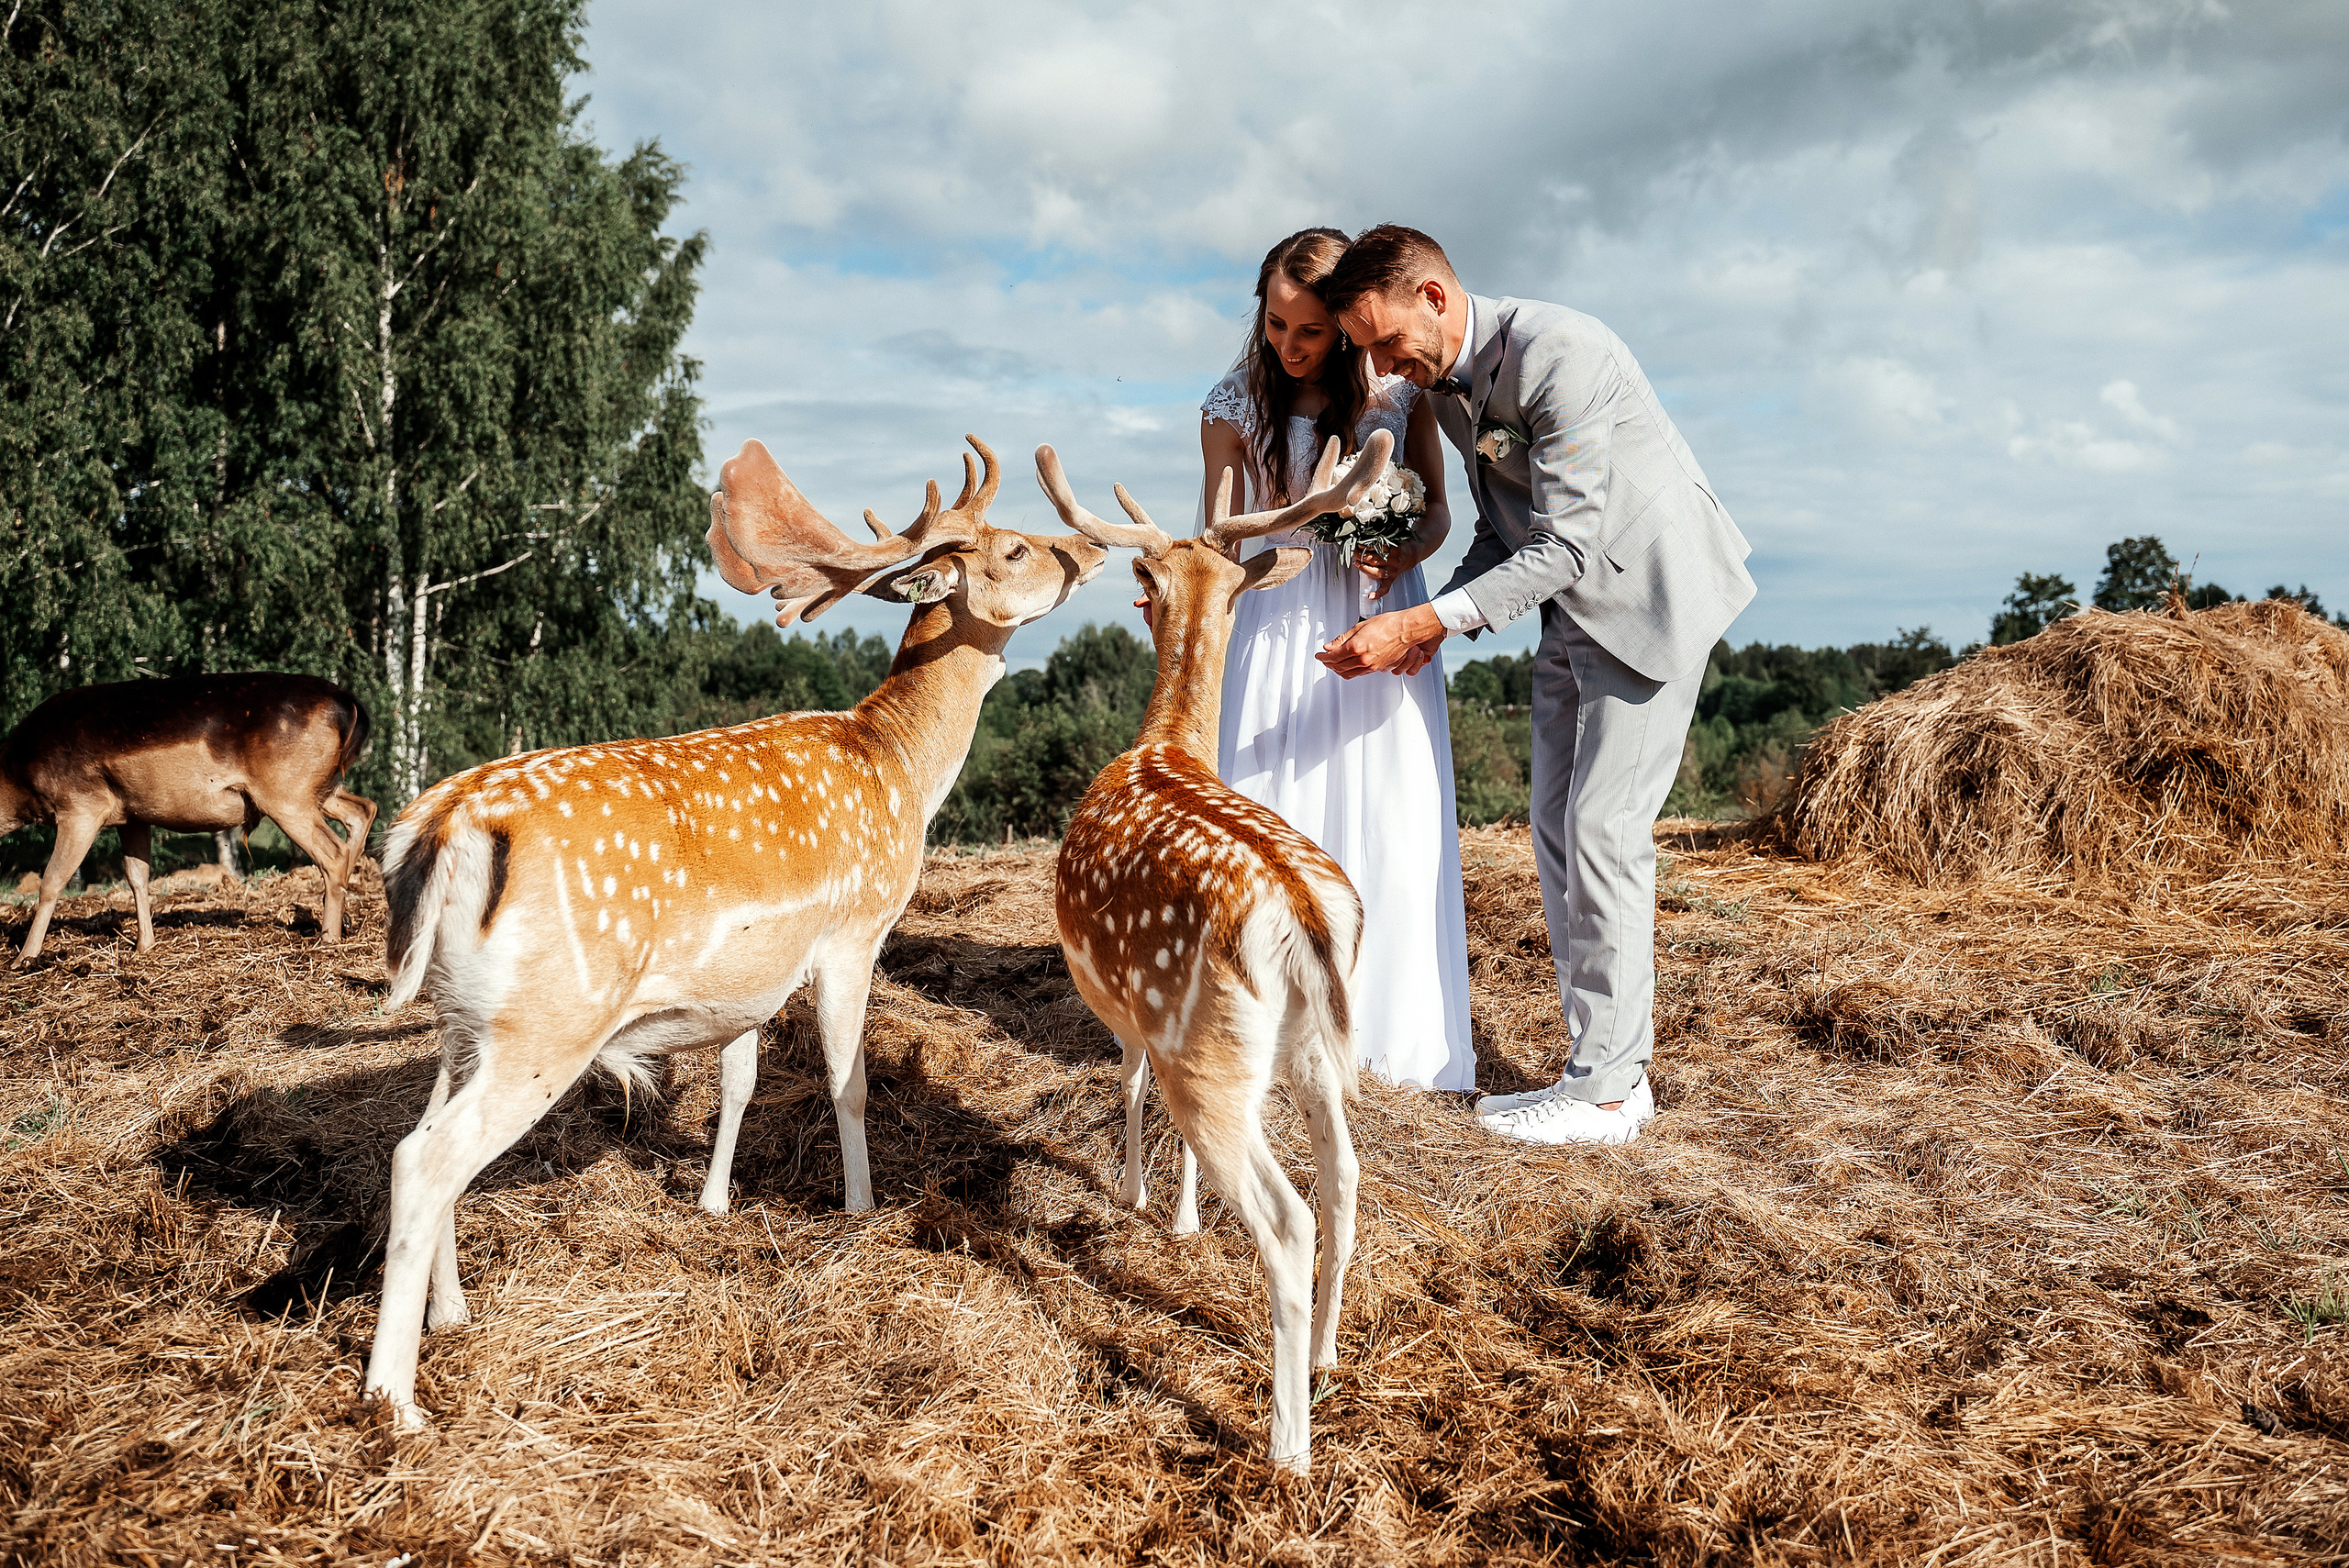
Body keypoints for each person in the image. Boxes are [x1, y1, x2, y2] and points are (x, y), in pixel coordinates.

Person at [1318, 225, 1755, 1146]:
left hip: (1645, 599)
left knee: (1603, 831)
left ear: (1433, 296)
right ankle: (1597, 1069)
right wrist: (1430, 619)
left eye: (1385, 340)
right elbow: (1505, 531)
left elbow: (1568, 540)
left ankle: (1605, 1090)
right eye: (1367, 351)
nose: (1381, 363)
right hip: (1567, 612)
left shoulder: (1561, 350)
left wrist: (1428, 621)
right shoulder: (1445, 393)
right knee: (1555, 829)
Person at [1194, 227, 1475, 1090]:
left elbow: (1437, 516)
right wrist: (1194, 584)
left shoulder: (1397, 392)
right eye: (1275, 325)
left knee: (1389, 818)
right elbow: (1214, 534)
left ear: (1348, 330)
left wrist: (1394, 547)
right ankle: (1260, 1041)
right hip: (1278, 623)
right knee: (1265, 818)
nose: (1288, 345)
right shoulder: (1231, 404)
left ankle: (1390, 1044)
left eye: (1309, 330)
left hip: (1378, 617)